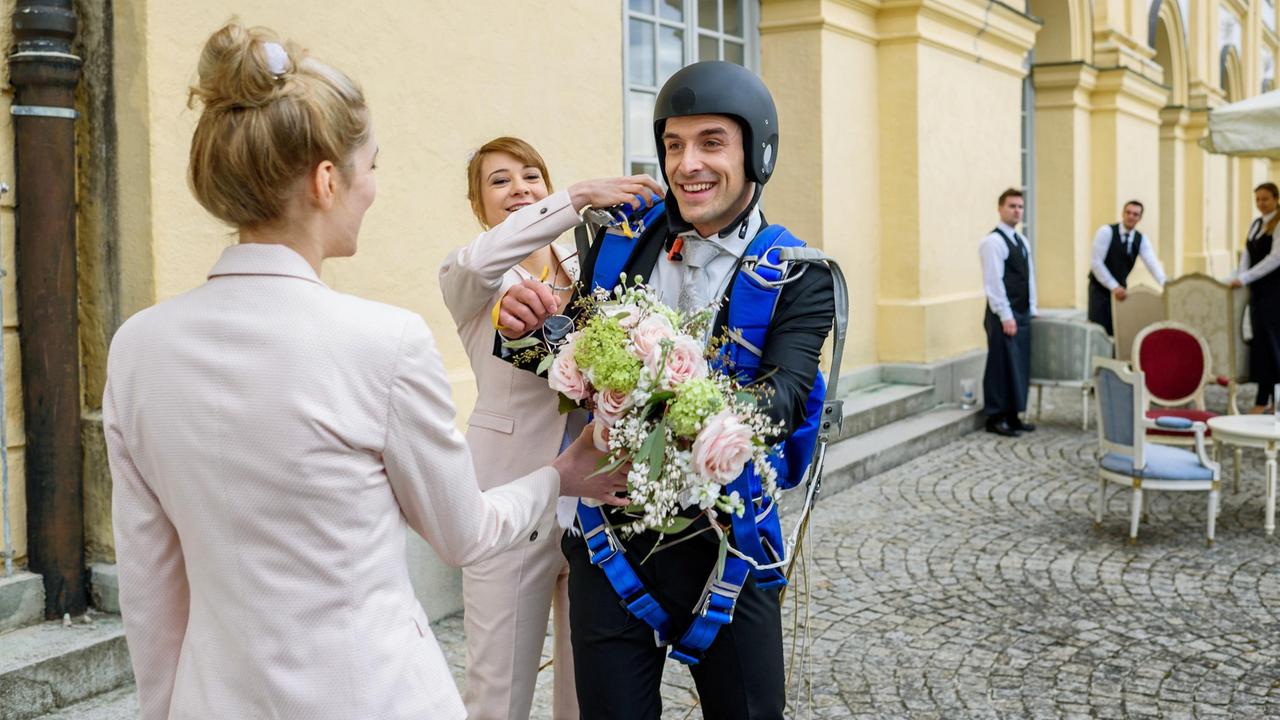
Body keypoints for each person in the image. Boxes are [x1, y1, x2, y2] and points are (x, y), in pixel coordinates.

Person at [103, 24, 626, 720]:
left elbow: (149, 584)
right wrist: (557, 479)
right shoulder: (384, 341)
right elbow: (463, 532)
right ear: (327, 181)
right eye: (371, 166)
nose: (374, 189)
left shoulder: (137, 347)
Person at [496, 61, 836, 720]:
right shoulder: (619, 243)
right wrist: (526, 333)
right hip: (610, 537)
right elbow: (577, 356)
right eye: (674, 145)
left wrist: (672, 400)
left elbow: (784, 399)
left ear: (756, 150)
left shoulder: (800, 273)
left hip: (729, 548)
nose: (688, 165)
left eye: (712, 142)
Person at [438, 137, 662, 720]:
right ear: (478, 206)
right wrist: (576, 196)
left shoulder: (590, 264)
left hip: (594, 507)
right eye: (500, 181)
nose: (519, 190)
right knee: (500, 691)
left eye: (531, 176)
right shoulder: (476, 279)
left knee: (586, 691)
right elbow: (474, 262)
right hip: (511, 499)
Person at [980, 188, 1038, 437]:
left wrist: (1032, 307)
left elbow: (1029, 277)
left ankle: (1014, 414)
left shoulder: (1021, 241)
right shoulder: (992, 242)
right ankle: (995, 416)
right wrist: (1005, 315)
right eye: (1012, 206)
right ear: (1000, 208)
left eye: (1020, 207)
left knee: (1019, 364)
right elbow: (994, 282)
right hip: (1003, 313)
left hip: (1022, 312)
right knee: (1000, 364)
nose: (1017, 211)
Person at [1231, 182, 1280, 413]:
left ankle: (1265, 399)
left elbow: (1275, 258)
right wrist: (1240, 277)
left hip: (1274, 291)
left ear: (1276, 199)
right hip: (1257, 291)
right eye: (1257, 199)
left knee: (1272, 343)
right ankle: (1265, 398)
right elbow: (1247, 254)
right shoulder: (1257, 224)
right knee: (1260, 344)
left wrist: (1246, 277)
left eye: (1265, 199)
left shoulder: (1279, 223)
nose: (1261, 203)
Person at [1086, 200, 1167, 335]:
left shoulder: (1141, 239)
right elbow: (1096, 263)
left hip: (1121, 291)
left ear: (1140, 218)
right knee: (1099, 329)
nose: (1131, 216)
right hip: (1100, 289)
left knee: (1117, 328)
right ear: (1123, 214)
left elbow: (1152, 263)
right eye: (1128, 212)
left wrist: (1166, 284)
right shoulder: (1106, 232)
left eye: (1135, 214)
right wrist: (1113, 286)